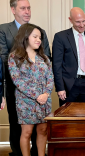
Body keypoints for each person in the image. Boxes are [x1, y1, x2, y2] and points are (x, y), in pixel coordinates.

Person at [0, 0, 51, 155]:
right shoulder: (3, 30)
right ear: (13, 10)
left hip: (43, 94)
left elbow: (47, 57)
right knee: (19, 128)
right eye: (23, 8)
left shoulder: (39, 31)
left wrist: (45, 92)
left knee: (41, 130)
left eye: (29, 8)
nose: (27, 11)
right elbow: (3, 58)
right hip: (17, 90)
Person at [8, 23, 53, 156]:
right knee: (26, 133)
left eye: (40, 37)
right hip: (25, 102)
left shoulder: (44, 58)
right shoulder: (14, 57)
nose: (38, 40)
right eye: (35, 36)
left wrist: (45, 94)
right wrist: (37, 95)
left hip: (44, 102)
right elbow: (18, 81)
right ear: (25, 37)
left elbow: (50, 78)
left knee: (43, 131)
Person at [52, 7, 85, 106]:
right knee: (66, 117)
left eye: (83, 21)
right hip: (69, 85)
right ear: (70, 20)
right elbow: (56, 65)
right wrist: (60, 88)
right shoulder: (60, 37)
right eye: (78, 22)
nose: (82, 25)